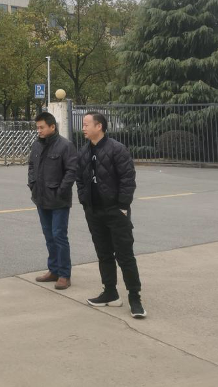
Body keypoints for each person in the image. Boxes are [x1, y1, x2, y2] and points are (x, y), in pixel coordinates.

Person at [77, 112, 147, 319]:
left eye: (86, 124)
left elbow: (128, 178)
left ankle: (135, 298)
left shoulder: (117, 149)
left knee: (125, 255)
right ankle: (110, 293)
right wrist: (84, 201)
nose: (83, 128)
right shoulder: (83, 151)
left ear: (99, 126)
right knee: (104, 254)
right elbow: (80, 179)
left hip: (115, 211)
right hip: (94, 211)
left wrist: (123, 206)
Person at [28, 112, 78, 290]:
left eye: (42, 127)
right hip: (41, 198)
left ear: (52, 127)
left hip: (59, 200)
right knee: (49, 236)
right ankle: (54, 270)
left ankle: (64, 274)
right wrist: (32, 184)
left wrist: (61, 190)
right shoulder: (36, 145)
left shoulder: (65, 145)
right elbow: (31, 166)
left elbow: (72, 171)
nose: (39, 130)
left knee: (59, 236)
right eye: (37, 127)